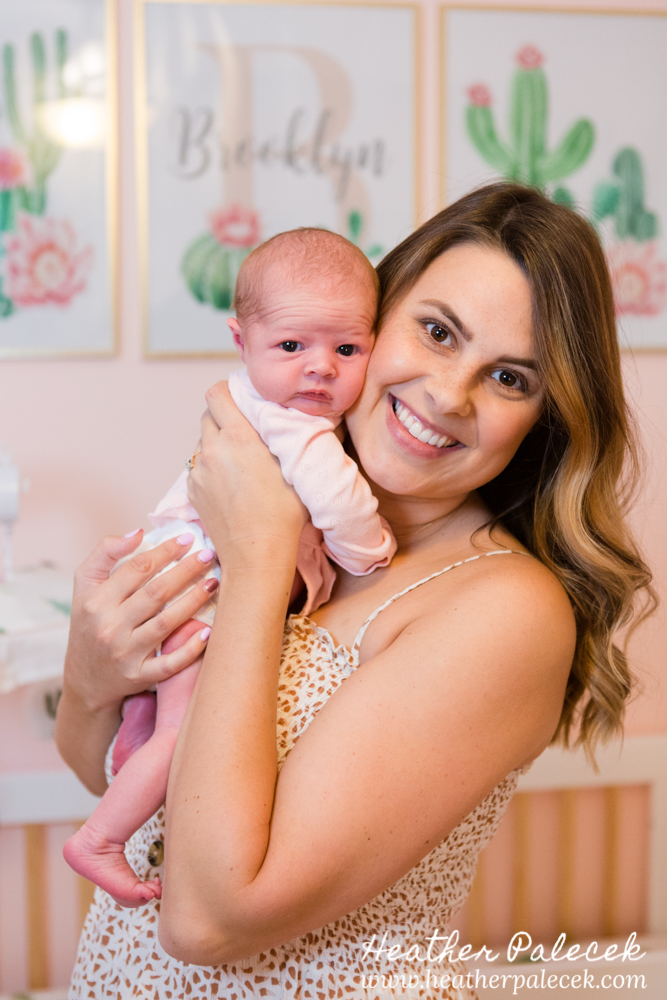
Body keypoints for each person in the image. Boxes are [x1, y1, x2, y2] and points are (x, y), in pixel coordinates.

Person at [56, 183, 653, 1000]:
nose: (449, 394)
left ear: (544, 416)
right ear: (372, 316)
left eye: (510, 378)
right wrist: (89, 679)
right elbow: (125, 788)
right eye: (436, 331)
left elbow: (208, 919)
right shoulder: (272, 500)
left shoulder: (501, 610)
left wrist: (261, 563)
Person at [62, 228, 396, 907]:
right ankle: (98, 839)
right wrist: (372, 552)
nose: (320, 368)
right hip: (198, 593)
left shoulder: (245, 401)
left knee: (159, 718)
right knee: (186, 730)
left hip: (175, 581)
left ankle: (129, 758)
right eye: (292, 346)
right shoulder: (294, 427)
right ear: (241, 341)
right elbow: (340, 503)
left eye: (347, 349)